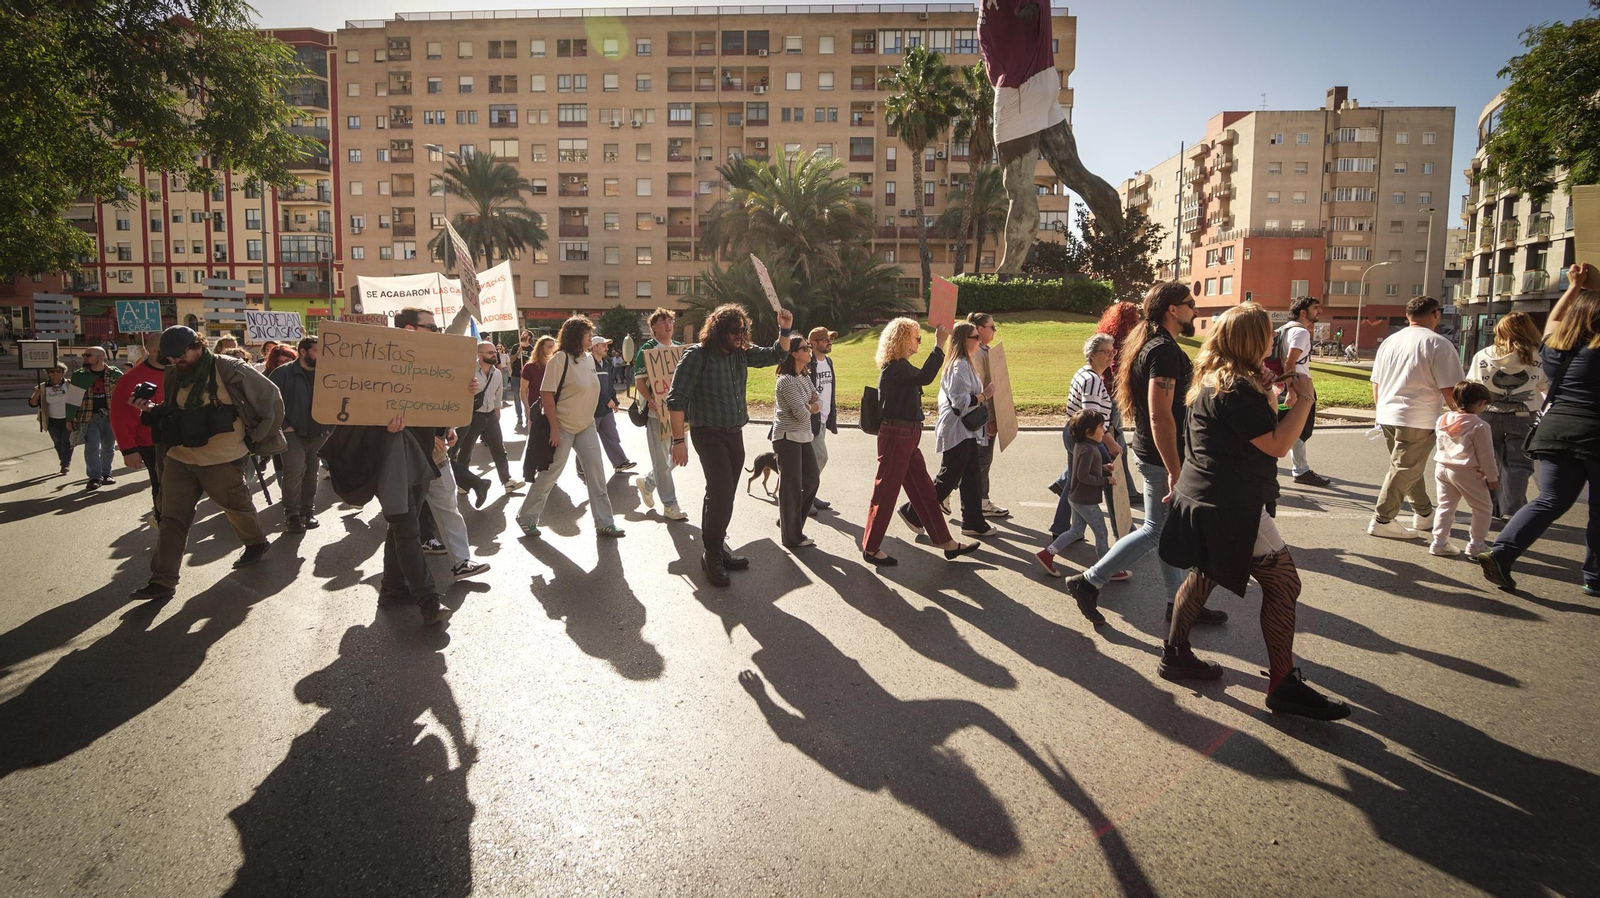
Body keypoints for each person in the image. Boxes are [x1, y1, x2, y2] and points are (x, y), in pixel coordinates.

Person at [1155, 302, 1350, 721]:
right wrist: (1305, 400)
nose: (1273, 340)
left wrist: (1271, 392)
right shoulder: (1236, 388)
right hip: (1233, 504)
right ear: (1254, 340)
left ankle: (1175, 653)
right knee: (1284, 585)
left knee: (1203, 573)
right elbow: (1278, 445)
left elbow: (1249, 432)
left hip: (1207, 495)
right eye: (1267, 334)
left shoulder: (1214, 380)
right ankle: (1282, 684)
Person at [1064, 282, 1227, 626]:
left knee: (1165, 531)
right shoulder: (1163, 351)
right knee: (1156, 530)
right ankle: (1089, 581)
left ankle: (1178, 603)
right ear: (1172, 309)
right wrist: (1174, 467)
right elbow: (1159, 413)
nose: (1194, 310)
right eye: (1190, 304)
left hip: (1154, 452)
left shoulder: (1152, 344)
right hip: (1160, 456)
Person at [125, 326, 282, 603]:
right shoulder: (174, 372)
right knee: (171, 518)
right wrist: (149, 410)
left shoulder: (229, 368)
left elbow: (272, 401)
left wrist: (255, 439)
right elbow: (174, 412)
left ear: (198, 345)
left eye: (180, 356)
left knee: (236, 506)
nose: (175, 362)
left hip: (222, 458)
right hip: (180, 457)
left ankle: (256, 542)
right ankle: (162, 580)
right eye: (170, 359)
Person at [1478, 264, 1600, 596]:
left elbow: (1555, 323)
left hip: (1555, 430)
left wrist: (1574, 288)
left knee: (1550, 499)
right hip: (1594, 433)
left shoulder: (1558, 348)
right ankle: (1594, 576)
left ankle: (1501, 553)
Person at [666, 304, 795, 586]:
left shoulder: (741, 354)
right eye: (735, 331)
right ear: (719, 331)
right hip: (707, 433)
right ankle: (711, 554)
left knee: (721, 494)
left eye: (743, 330)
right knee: (721, 492)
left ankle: (716, 546)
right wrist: (678, 441)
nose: (741, 335)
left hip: (734, 433)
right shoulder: (697, 356)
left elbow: (778, 353)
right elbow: (675, 400)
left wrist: (785, 328)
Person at [860, 317, 980, 567]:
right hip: (897, 436)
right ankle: (871, 548)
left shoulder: (900, 367)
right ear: (903, 339)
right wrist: (939, 346)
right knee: (886, 492)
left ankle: (946, 542)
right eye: (916, 337)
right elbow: (926, 377)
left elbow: (920, 378)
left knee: (925, 491)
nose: (919, 342)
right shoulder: (896, 367)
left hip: (907, 435)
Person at [518, 316, 626, 541]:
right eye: (588, 333)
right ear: (577, 335)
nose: (591, 336)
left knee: (596, 474)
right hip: (563, 426)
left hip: (586, 425)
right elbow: (546, 394)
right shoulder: (559, 359)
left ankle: (605, 523)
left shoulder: (588, 358)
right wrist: (555, 429)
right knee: (550, 473)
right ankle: (526, 517)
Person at [1367, 295, 1465, 540]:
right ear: (1435, 314)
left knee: (1409, 468)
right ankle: (1383, 519)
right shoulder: (1439, 344)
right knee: (1406, 468)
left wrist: (1381, 411)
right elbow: (1450, 388)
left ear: (1408, 315)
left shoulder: (1390, 341)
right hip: (1416, 416)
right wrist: (1461, 417)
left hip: (1388, 413)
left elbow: (1376, 382)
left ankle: (1423, 514)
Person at [898, 321, 995, 537]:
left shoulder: (965, 363)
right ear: (964, 340)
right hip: (957, 430)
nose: (979, 340)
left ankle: (972, 522)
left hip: (965, 431)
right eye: (975, 337)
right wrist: (985, 394)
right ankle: (912, 512)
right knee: (948, 479)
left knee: (971, 477)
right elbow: (960, 401)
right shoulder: (959, 366)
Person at [1465, 312, 1549, 518]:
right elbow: (1545, 385)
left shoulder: (1484, 355)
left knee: (1488, 461)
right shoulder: (1538, 356)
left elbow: (1473, 385)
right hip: (1524, 416)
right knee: (1518, 465)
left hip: (1487, 414)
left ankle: (1490, 507)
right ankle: (1512, 509)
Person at [1037, 410, 1125, 586]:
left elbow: (1088, 468)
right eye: (1101, 427)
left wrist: (1104, 467)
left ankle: (1047, 554)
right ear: (1088, 431)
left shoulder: (1083, 445)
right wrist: (1105, 480)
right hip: (1086, 501)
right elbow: (1083, 476)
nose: (1104, 430)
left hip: (1077, 498)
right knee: (1101, 533)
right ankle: (1106, 569)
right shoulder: (1088, 449)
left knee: (1076, 531)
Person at [1047, 333, 1122, 538]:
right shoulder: (1092, 380)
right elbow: (1092, 419)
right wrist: (1111, 443)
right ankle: (1124, 531)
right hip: (1088, 438)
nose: (1110, 356)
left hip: (1075, 433)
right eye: (1105, 352)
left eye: (1112, 351)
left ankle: (1061, 529)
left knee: (1073, 481)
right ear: (1091, 354)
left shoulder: (1084, 374)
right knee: (1110, 480)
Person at [267, 336, 332, 534]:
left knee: (311, 473)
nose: (322, 355)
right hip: (292, 433)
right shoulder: (282, 374)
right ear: (303, 352)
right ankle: (292, 515)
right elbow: (270, 403)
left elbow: (337, 399)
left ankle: (307, 511)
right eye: (317, 350)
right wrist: (285, 426)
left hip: (318, 432)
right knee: (294, 472)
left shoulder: (327, 373)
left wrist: (330, 427)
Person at [1430, 381, 1498, 558]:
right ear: (1481, 403)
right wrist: (1492, 478)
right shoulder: (1480, 426)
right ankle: (1476, 544)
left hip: (1442, 467)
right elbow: (1486, 456)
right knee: (1482, 508)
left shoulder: (1443, 419)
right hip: (1467, 470)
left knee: (1445, 506)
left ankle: (1439, 542)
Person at [633, 309, 688, 521]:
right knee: (662, 462)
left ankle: (648, 483)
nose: (668, 324)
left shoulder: (679, 350)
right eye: (662, 321)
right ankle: (670, 504)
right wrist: (652, 401)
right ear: (653, 327)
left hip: (679, 414)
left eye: (670, 320)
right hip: (658, 416)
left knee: (679, 455)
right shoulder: (647, 350)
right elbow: (639, 382)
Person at [769, 335, 821, 549]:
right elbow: (802, 413)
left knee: (812, 480)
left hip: (803, 437)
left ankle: (789, 523)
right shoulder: (786, 380)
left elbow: (817, 399)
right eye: (805, 348)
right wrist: (811, 407)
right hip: (787, 438)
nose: (809, 351)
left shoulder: (804, 376)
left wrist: (811, 406)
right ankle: (792, 537)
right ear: (794, 354)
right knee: (791, 488)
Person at [110, 332, 168, 524]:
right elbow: (121, 417)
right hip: (151, 444)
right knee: (162, 485)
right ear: (153, 351)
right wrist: (128, 450)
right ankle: (164, 522)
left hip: (183, 439)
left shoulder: (181, 371)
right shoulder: (131, 378)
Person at [455, 340, 525, 496]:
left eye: (495, 352)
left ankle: (507, 481)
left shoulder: (497, 373)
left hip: (490, 415)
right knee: (465, 451)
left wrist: (497, 412)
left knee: (499, 449)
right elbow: (456, 393)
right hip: (472, 416)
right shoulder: (468, 370)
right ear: (479, 355)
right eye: (491, 352)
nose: (495, 355)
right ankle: (463, 484)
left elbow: (497, 395)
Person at [1276, 296, 1333, 487]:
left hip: (1282, 385)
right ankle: (1300, 470)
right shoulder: (1301, 333)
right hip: (1297, 386)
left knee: (1284, 427)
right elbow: (1289, 362)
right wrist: (1292, 391)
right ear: (1303, 312)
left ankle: (1300, 468)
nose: (1320, 311)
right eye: (1316, 307)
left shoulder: (1283, 330)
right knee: (1299, 429)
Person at [965, 311, 1009, 518]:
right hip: (981, 419)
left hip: (984, 417)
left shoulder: (985, 351)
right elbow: (981, 391)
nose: (994, 330)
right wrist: (990, 420)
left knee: (976, 461)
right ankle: (977, 501)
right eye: (992, 327)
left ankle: (976, 500)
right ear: (980, 329)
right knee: (980, 462)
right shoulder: (979, 355)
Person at [64, 346, 123, 491]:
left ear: (100, 358)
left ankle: (106, 474)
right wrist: (69, 419)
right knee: (92, 447)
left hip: (110, 416)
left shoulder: (115, 374)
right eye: (84, 355)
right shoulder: (80, 375)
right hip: (88, 416)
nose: (84, 357)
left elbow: (124, 395)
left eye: (88, 355)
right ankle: (94, 477)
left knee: (108, 447)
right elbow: (72, 400)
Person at [587, 335, 636, 473]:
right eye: (604, 345)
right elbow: (591, 386)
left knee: (612, 436)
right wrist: (606, 399)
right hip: (592, 410)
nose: (606, 348)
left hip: (606, 409)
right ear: (594, 347)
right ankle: (582, 468)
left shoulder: (607, 363)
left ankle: (620, 463)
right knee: (588, 442)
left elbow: (609, 384)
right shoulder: (587, 363)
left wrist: (614, 400)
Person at [806, 326, 839, 513]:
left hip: (824, 417)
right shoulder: (808, 363)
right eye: (825, 339)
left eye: (830, 339)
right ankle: (805, 497)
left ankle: (811, 493)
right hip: (812, 418)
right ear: (813, 343)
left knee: (814, 459)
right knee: (820, 456)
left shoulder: (828, 361)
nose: (829, 342)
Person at [519, 335, 557, 483]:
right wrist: (527, 412)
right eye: (549, 346)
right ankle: (538, 470)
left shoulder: (555, 365)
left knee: (553, 442)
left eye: (553, 346)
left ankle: (549, 470)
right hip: (537, 411)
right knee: (537, 443)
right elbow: (523, 391)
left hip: (554, 409)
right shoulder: (530, 367)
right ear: (540, 348)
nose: (552, 349)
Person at [29, 363, 73, 475]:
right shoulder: (42, 387)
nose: (56, 373)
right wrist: (37, 394)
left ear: (63, 373)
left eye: (59, 371)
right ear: (48, 373)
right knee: (58, 442)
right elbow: (33, 404)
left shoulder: (70, 384)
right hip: (51, 419)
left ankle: (65, 464)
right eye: (53, 371)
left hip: (67, 418)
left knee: (68, 441)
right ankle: (63, 460)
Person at [512, 330, 533, 429]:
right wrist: (517, 353)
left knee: (526, 396)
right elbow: (511, 359)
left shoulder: (531, 349)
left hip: (526, 377)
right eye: (522, 333)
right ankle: (519, 417)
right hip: (515, 376)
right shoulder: (516, 346)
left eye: (524, 333)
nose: (522, 334)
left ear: (529, 336)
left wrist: (525, 370)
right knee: (517, 397)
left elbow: (532, 362)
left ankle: (527, 416)